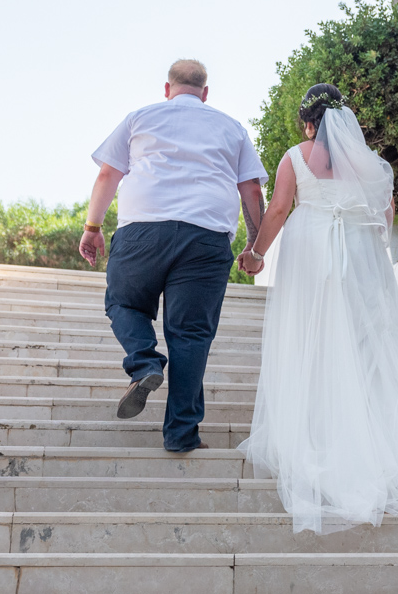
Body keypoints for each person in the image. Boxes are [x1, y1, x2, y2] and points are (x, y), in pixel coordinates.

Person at [237, 83, 398, 533]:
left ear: (309, 123)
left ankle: (321, 436)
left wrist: (256, 254)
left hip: (313, 252)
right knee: (366, 342)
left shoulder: (295, 155)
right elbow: (386, 212)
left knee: (313, 337)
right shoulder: (366, 162)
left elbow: (277, 211)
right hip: (360, 253)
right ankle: (393, 438)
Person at [80, 59, 268, 453]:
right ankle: (182, 435)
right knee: (191, 335)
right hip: (206, 237)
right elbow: (251, 190)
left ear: (167, 89)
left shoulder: (140, 118)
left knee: (122, 302)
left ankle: (145, 361)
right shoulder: (231, 127)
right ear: (205, 93)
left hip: (142, 231)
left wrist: (92, 228)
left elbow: (107, 175)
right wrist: (254, 245)